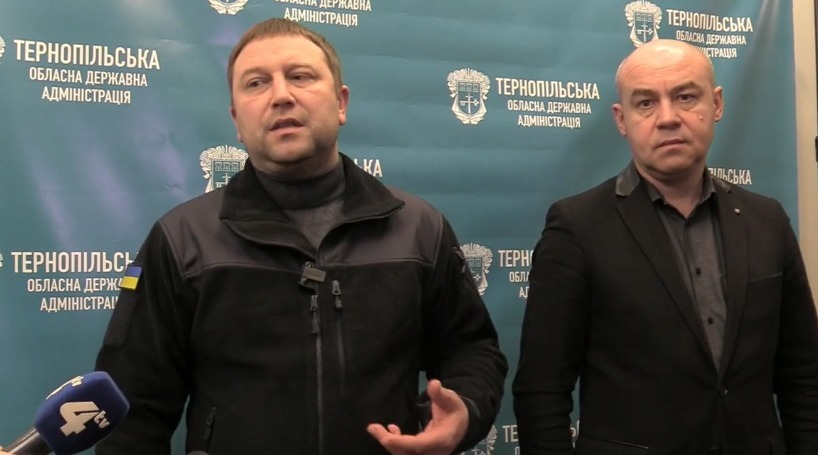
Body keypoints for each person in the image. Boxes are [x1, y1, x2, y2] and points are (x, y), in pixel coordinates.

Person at [95, 17, 507, 455]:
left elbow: (472, 350)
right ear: (237, 121)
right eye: (256, 83)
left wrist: (464, 410)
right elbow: (130, 411)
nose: (281, 95)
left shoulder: (419, 229)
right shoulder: (182, 241)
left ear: (341, 103)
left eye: (300, 76)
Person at [512, 39, 818, 455]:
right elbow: (541, 391)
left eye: (685, 97)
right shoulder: (577, 227)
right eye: (645, 103)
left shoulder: (767, 220)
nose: (668, 118)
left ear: (716, 104)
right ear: (621, 120)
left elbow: (804, 376)